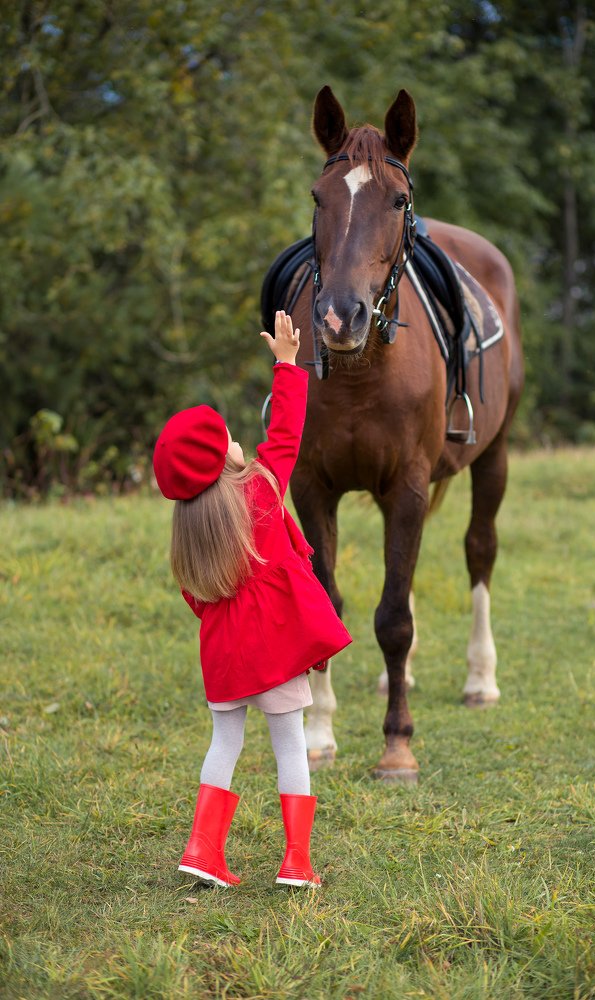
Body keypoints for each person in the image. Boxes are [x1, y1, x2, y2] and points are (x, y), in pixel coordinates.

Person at [152, 311, 351, 888]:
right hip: (277, 650)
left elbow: (198, 600)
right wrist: (286, 365)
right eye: (230, 440)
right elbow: (284, 435)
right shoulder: (261, 491)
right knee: (290, 747)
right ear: (224, 462)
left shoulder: (192, 534)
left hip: (223, 655)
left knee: (225, 743)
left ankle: (202, 850)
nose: (240, 442)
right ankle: (297, 862)